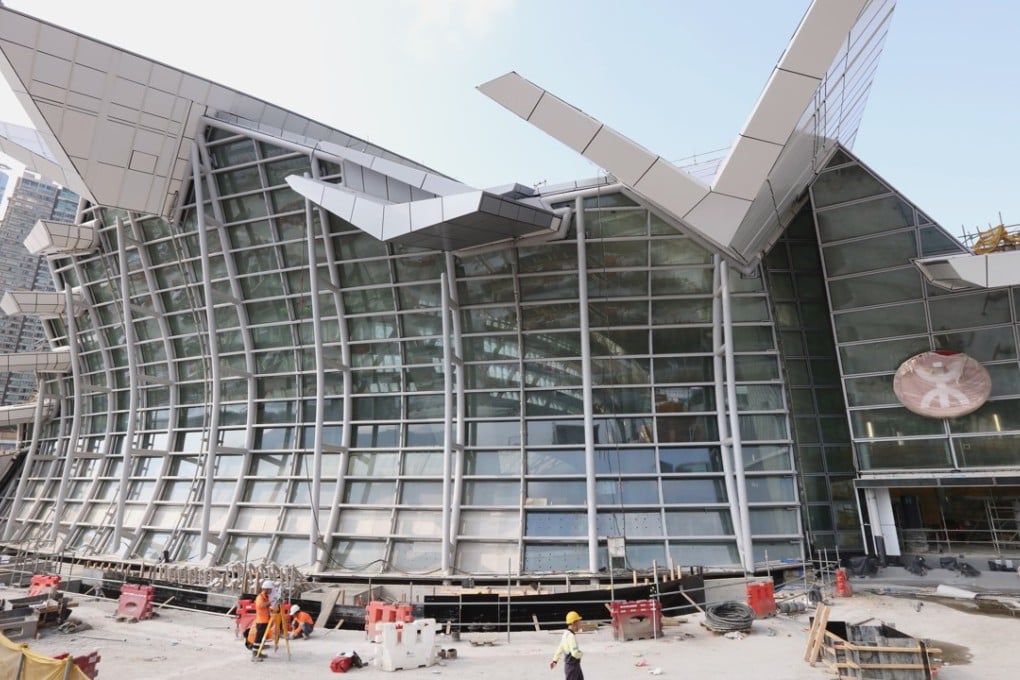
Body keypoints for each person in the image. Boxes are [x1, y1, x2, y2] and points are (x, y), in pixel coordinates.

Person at [549, 611, 583, 680]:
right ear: (574, 623)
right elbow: (575, 653)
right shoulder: (571, 637)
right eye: (579, 623)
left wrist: (555, 660)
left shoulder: (565, 634)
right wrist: (581, 654)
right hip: (573, 667)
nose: (580, 625)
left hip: (570, 666)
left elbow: (560, 648)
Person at [251, 579, 275, 661]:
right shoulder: (260, 597)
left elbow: (268, 607)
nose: (271, 591)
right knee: (258, 638)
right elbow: (261, 605)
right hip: (261, 622)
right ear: (266, 589)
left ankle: (259, 653)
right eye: (270, 589)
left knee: (262, 638)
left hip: (265, 621)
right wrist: (271, 601)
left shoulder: (266, 597)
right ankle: (254, 655)